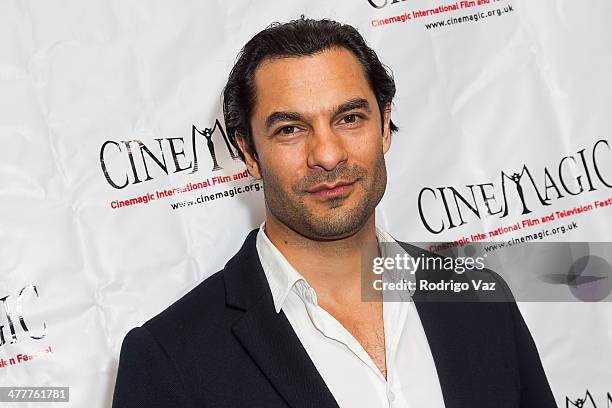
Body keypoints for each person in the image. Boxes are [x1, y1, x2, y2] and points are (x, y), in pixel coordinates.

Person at [112, 17, 558, 407]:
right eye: (290, 128)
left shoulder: (477, 297)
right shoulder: (170, 359)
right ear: (249, 152)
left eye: (349, 119)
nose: (326, 154)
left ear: (385, 126)